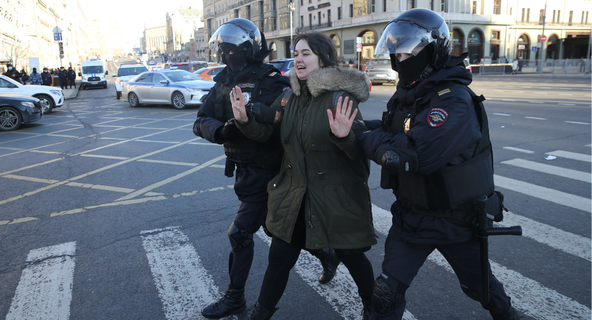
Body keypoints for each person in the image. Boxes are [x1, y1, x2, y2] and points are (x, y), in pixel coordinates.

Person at [345, 9, 520, 320]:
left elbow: (415, 155)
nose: (400, 58)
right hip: (412, 219)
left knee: (482, 289)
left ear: (432, 50)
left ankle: (507, 315)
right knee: (385, 295)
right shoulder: (409, 96)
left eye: (408, 50)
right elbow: (391, 128)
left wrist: (360, 136)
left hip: (456, 222)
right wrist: (354, 123)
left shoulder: (453, 100)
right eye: (396, 51)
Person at [192, 19, 340, 320]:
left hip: (273, 172)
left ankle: (235, 298)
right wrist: (221, 131)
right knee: (283, 232)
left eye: (229, 48)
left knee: (241, 233)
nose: (225, 54)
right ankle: (328, 255)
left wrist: (253, 121)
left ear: (243, 50)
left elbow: (288, 124)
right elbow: (200, 120)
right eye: (223, 49)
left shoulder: (272, 81)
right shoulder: (223, 83)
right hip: (245, 171)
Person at [231, 32, 377, 320]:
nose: (298, 58)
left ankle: (373, 305)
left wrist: (345, 137)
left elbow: (359, 155)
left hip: (334, 196)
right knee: (279, 259)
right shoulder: (290, 97)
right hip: (295, 194)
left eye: (305, 53)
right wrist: (244, 121)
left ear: (322, 58)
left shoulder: (340, 98)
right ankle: (259, 314)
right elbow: (269, 135)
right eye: (296, 53)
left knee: (351, 255)